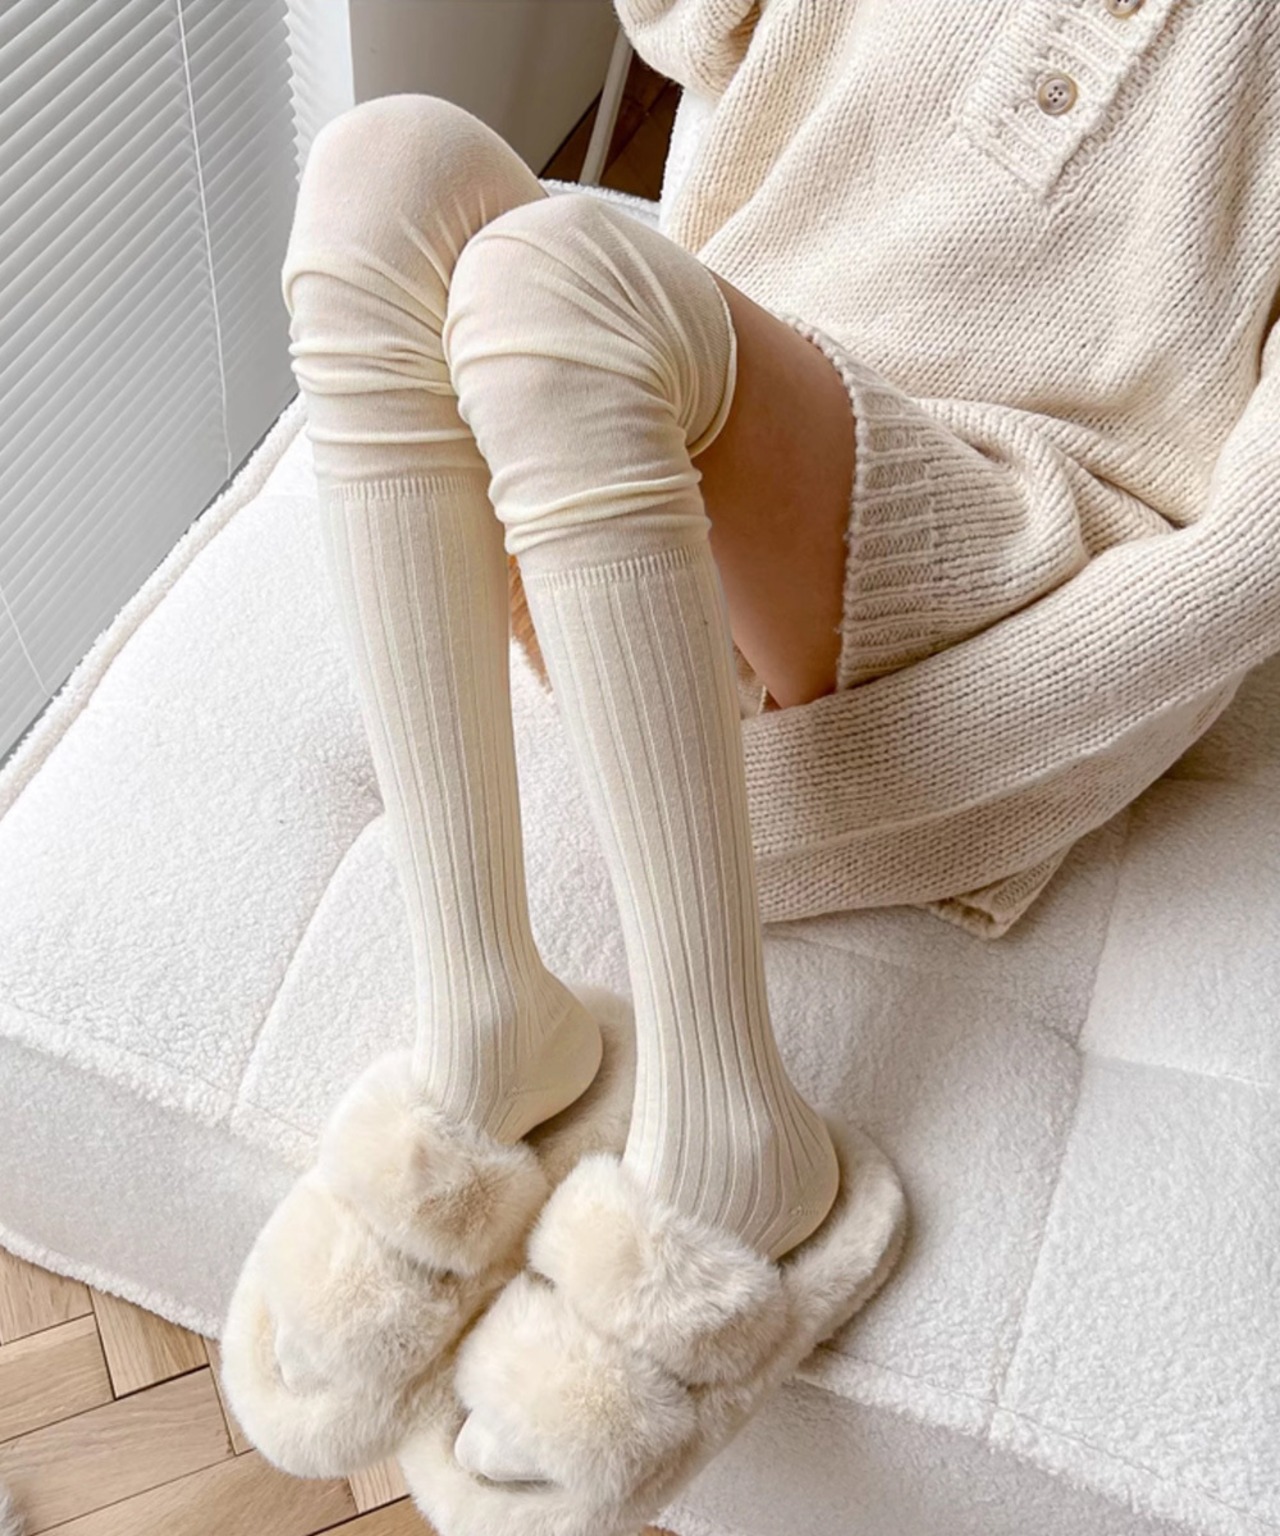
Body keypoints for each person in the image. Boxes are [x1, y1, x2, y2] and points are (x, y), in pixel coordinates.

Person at [269, 0, 1280, 1510]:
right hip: (638, 479)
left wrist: (960, 754)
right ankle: (485, 1011)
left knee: (557, 283)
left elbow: (1249, 563)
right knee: (382, 166)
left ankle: (731, 1134)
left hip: (993, 567)